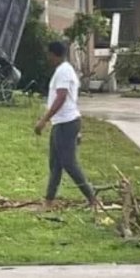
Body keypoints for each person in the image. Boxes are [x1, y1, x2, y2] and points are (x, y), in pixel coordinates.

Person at [34, 40, 99, 212]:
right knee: (55, 164)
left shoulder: (63, 71)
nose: (48, 58)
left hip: (66, 123)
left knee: (69, 163)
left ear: (54, 54)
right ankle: (49, 200)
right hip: (63, 123)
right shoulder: (65, 70)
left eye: (49, 54)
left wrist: (44, 119)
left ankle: (92, 198)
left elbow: (61, 97)